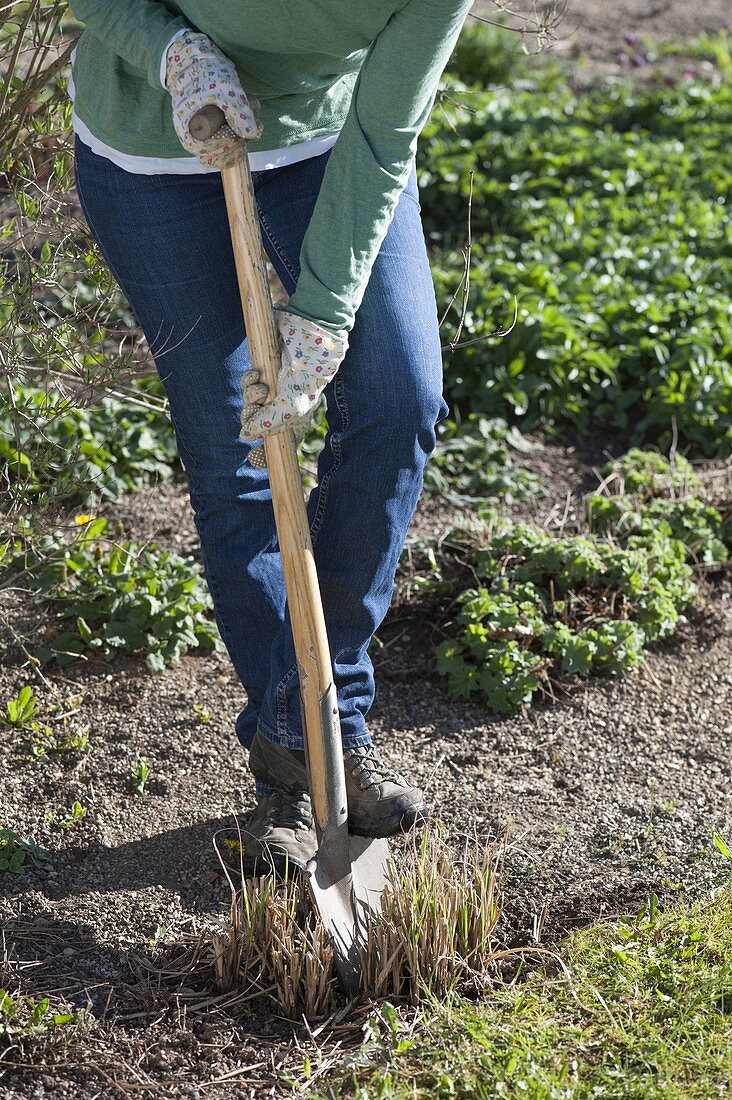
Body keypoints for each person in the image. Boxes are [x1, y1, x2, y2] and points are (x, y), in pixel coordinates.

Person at [69, 0, 472, 874]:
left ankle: (303, 730)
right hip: (149, 157)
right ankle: (316, 750)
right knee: (236, 450)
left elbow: (383, 133)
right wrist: (171, 50)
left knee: (399, 400)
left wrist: (320, 321)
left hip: (328, 151)